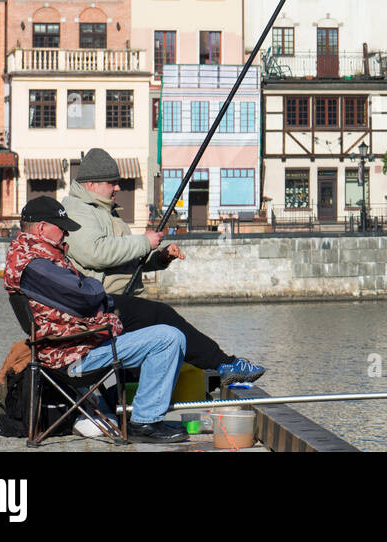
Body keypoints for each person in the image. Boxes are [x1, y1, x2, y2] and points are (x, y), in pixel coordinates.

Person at [61, 149, 265, 386]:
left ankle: (151, 403)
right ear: (93, 184)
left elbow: (124, 255)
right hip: (100, 302)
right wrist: (143, 242)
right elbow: (95, 253)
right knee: (162, 316)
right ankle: (224, 364)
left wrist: (159, 256)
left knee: (161, 333)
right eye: (112, 183)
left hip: (123, 298)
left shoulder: (105, 210)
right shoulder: (77, 210)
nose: (118, 188)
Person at [3, 196, 188, 443]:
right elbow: (84, 295)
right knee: (169, 337)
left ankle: (132, 409)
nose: (66, 233)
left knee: (153, 322)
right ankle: (145, 421)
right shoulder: (36, 264)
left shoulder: (35, 256)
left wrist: (93, 296)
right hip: (72, 357)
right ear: (41, 227)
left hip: (69, 347)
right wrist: (95, 292)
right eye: (61, 226)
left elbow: (82, 293)